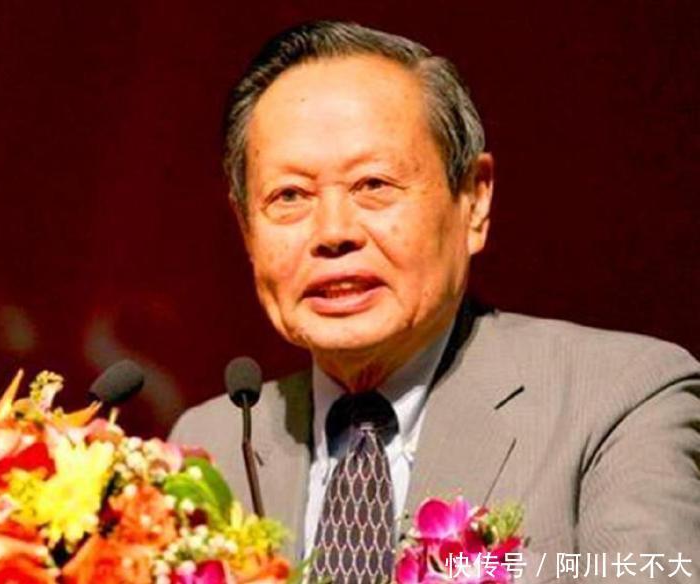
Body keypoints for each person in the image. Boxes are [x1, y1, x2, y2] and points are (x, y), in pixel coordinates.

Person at [169, 21, 700, 583]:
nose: (333, 232)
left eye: (373, 185)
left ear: (474, 200)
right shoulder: (211, 445)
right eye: (290, 195)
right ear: (246, 229)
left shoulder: (617, 399)